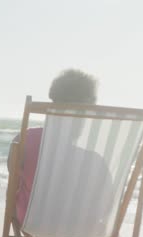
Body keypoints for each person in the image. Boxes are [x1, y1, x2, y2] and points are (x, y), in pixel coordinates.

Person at [8, 69, 99, 226]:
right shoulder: (95, 160)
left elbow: (13, 180)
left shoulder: (25, 140)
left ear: (53, 103)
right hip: (83, 226)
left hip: (32, 221)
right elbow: (108, 205)